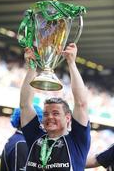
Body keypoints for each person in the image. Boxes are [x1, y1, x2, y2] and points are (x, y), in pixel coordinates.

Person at [20, 43, 91, 171]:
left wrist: (71, 63)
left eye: (56, 113)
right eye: (46, 114)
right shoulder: (35, 137)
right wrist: (32, 67)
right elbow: (25, 105)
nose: (50, 117)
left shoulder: (77, 141)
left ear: (68, 118)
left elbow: (81, 104)